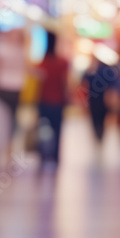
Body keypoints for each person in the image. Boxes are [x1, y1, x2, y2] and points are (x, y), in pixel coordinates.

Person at [36, 31, 68, 168]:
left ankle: (43, 154)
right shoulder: (62, 63)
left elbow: (37, 85)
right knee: (57, 130)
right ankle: (55, 156)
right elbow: (65, 83)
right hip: (58, 101)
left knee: (43, 129)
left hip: (44, 101)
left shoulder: (42, 63)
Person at [82, 54, 118, 144]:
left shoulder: (101, 70)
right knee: (98, 119)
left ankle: (99, 136)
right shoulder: (96, 69)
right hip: (97, 99)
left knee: (98, 119)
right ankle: (99, 136)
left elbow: (84, 80)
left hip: (99, 99)